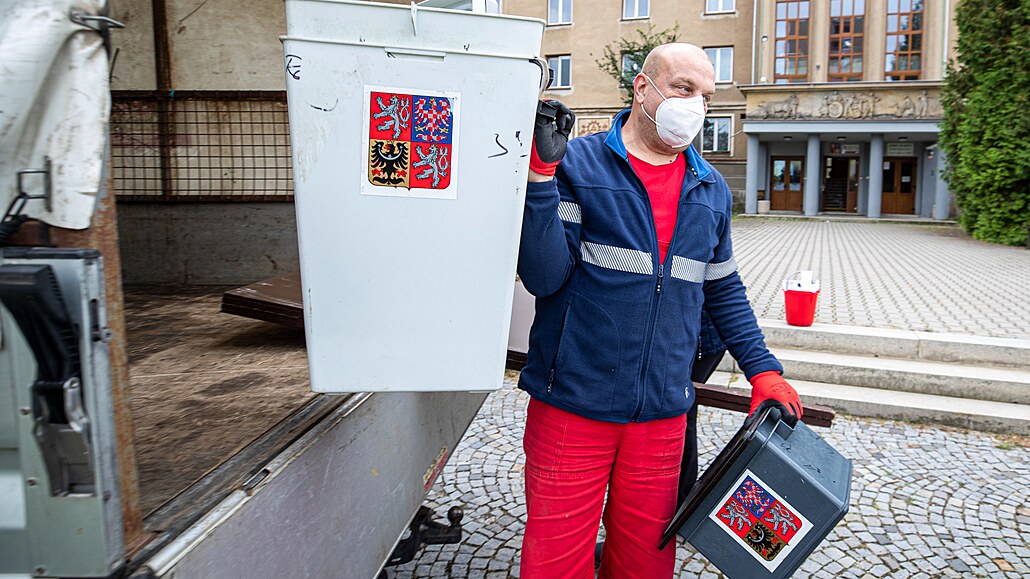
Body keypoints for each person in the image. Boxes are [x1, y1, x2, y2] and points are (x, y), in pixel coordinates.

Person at [516, 43, 804, 579]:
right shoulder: (575, 164)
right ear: (642, 89)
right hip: (573, 406)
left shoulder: (710, 188)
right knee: (555, 562)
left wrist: (763, 370)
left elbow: (723, 290)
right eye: (683, 89)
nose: (696, 106)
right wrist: (538, 178)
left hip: (662, 417)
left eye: (706, 96)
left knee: (645, 563)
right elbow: (543, 276)